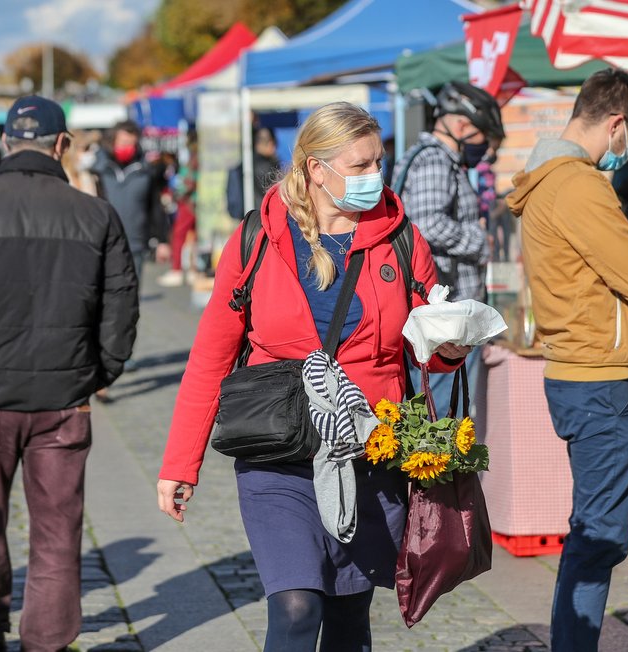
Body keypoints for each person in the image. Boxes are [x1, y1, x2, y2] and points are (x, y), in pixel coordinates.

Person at [157, 102, 469, 652]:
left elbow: (427, 349)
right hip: (276, 450)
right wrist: (181, 463)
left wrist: (449, 347)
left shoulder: (401, 239)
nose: (376, 177)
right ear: (315, 170)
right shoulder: (257, 238)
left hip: (369, 451)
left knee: (349, 620)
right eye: (360, 166)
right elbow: (211, 354)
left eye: (379, 162)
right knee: (297, 607)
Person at [0, 95, 139, 652]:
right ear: (61, 145)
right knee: (59, 530)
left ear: (8, 142)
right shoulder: (94, 214)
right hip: (63, 395)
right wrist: (99, 371)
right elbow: (122, 307)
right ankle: (46, 642)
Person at [506, 68, 628, 652]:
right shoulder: (577, 184)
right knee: (598, 539)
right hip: (603, 381)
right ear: (617, 123)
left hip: (582, 374)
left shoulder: (552, 180)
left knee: (592, 533)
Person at [391, 80, 503, 418]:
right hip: (441, 321)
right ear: (462, 125)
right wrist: (479, 240)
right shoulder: (435, 161)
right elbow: (427, 224)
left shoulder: (431, 159)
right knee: (440, 417)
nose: (485, 148)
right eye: (482, 136)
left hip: (441, 318)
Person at [92, 120, 170, 286]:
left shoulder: (144, 171)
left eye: (132, 144)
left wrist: (162, 240)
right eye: (124, 142)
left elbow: (155, 207)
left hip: (135, 243)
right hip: (105, 242)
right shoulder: (99, 170)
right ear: (113, 142)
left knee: (132, 296)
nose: (128, 147)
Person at [158, 132, 198, 287]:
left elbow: (189, 182)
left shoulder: (195, 159)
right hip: (193, 203)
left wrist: (176, 195)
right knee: (193, 237)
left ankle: (178, 269)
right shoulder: (195, 158)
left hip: (189, 203)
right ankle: (193, 269)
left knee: (179, 235)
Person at [226, 126, 283, 218]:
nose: (274, 148)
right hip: (263, 217)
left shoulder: (247, 164)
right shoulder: (265, 166)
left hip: (250, 218)